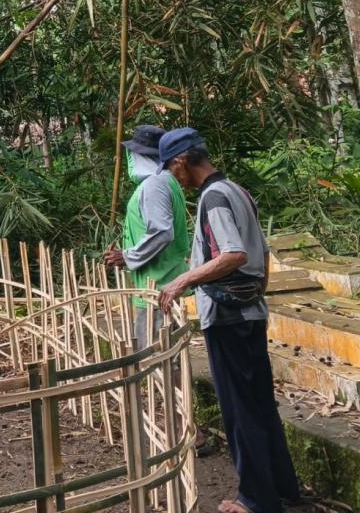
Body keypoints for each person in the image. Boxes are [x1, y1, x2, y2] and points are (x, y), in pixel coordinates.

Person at [157, 128, 299, 513]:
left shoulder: (213, 197)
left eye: (172, 169)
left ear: (182, 161)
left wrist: (183, 280)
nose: (174, 179)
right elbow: (262, 254)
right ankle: (283, 487)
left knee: (238, 409)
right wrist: (256, 294)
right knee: (260, 403)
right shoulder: (238, 191)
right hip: (251, 312)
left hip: (227, 318)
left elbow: (233, 253)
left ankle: (255, 500)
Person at [103, 124, 189, 348]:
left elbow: (162, 232)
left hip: (157, 287)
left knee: (159, 360)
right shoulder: (165, 181)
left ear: (140, 155)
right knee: (167, 358)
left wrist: (128, 256)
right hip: (160, 283)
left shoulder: (154, 184)